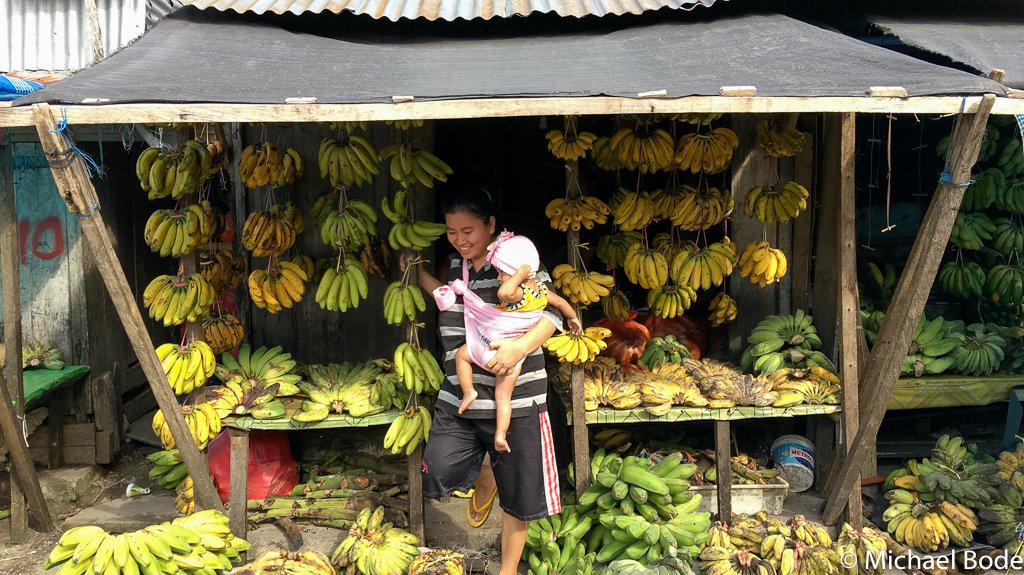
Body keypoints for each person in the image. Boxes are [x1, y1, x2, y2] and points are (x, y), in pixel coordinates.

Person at [412, 188, 563, 575]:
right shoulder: (454, 267)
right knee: (437, 469)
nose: (460, 240)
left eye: (469, 231)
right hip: (460, 397)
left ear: (490, 225)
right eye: (451, 232)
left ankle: (508, 569)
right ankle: (486, 471)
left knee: (519, 496)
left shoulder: (515, 263)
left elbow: (553, 316)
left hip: (517, 397)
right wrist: (413, 270)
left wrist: (517, 350)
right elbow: (443, 298)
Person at [432, 231, 581, 453]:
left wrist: (517, 276)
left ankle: (468, 391)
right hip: (513, 359)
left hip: (490, 346)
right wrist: (573, 318)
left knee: (462, 355)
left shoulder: (515, 294)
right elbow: (560, 302)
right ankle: (501, 434)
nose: (500, 277)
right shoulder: (541, 292)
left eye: (503, 272)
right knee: (504, 398)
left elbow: (504, 290)